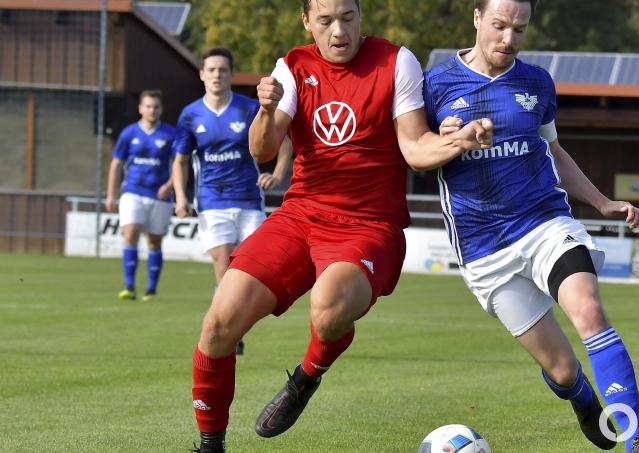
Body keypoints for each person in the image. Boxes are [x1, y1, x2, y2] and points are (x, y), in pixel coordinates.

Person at [188, 1, 493, 451]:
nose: (338, 32)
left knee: (328, 310)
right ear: (307, 21)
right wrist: (265, 110)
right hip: (301, 214)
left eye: (347, 18)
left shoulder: (395, 62)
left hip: (369, 224)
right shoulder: (292, 66)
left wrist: (458, 142)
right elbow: (262, 150)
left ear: (360, 17)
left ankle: (307, 377)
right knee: (218, 323)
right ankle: (210, 446)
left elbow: (414, 148)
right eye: (326, 21)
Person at [424, 1, 639, 452]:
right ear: (477, 18)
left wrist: (601, 201)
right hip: (484, 249)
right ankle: (583, 400)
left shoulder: (536, 83)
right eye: (500, 26)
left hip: (545, 223)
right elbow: (415, 149)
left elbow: (555, 153)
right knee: (561, 370)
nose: (509, 39)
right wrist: (448, 138)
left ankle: (637, 439)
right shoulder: (435, 84)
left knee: (590, 311)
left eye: (519, 29)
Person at [172, 48, 292, 355]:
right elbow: (180, 161)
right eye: (211, 69)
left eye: (222, 70)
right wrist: (182, 197)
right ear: (202, 74)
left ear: (231, 74)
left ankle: (232, 322)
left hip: (250, 200)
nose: (216, 75)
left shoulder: (249, 108)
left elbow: (284, 141)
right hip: (212, 201)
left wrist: (277, 175)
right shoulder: (190, 114)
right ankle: (228, 330)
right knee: (224, 266)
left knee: (251, 270)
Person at [105, 90, 175, 302]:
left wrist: (170, 185)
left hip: (160, 195)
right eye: (148, 106)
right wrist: (111, 194)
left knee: (154, 241)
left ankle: (151, 289)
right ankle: (129, 286)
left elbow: (180, 165)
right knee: (130, 234)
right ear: (140, 108)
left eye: (155, 106)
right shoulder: (129, 133)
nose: (151, 110)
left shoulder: (171, 134)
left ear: (161, 109)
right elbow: (116, 163)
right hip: (132, 191)